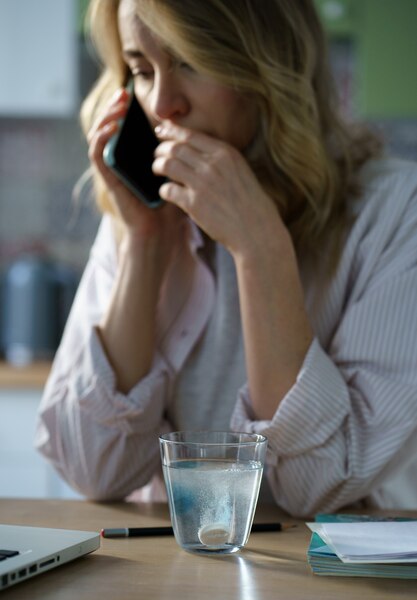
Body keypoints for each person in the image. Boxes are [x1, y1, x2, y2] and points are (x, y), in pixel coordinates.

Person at [35, 0, 417, 516]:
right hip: (169, 582)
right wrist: (144, 243)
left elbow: (316, 488)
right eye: (142, 71)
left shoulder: (396, 210)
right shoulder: (143, 211)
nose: (162, 104)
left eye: (191, 61)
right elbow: (92, 470)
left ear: (268, 67)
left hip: (340, 590)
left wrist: (259, 247)